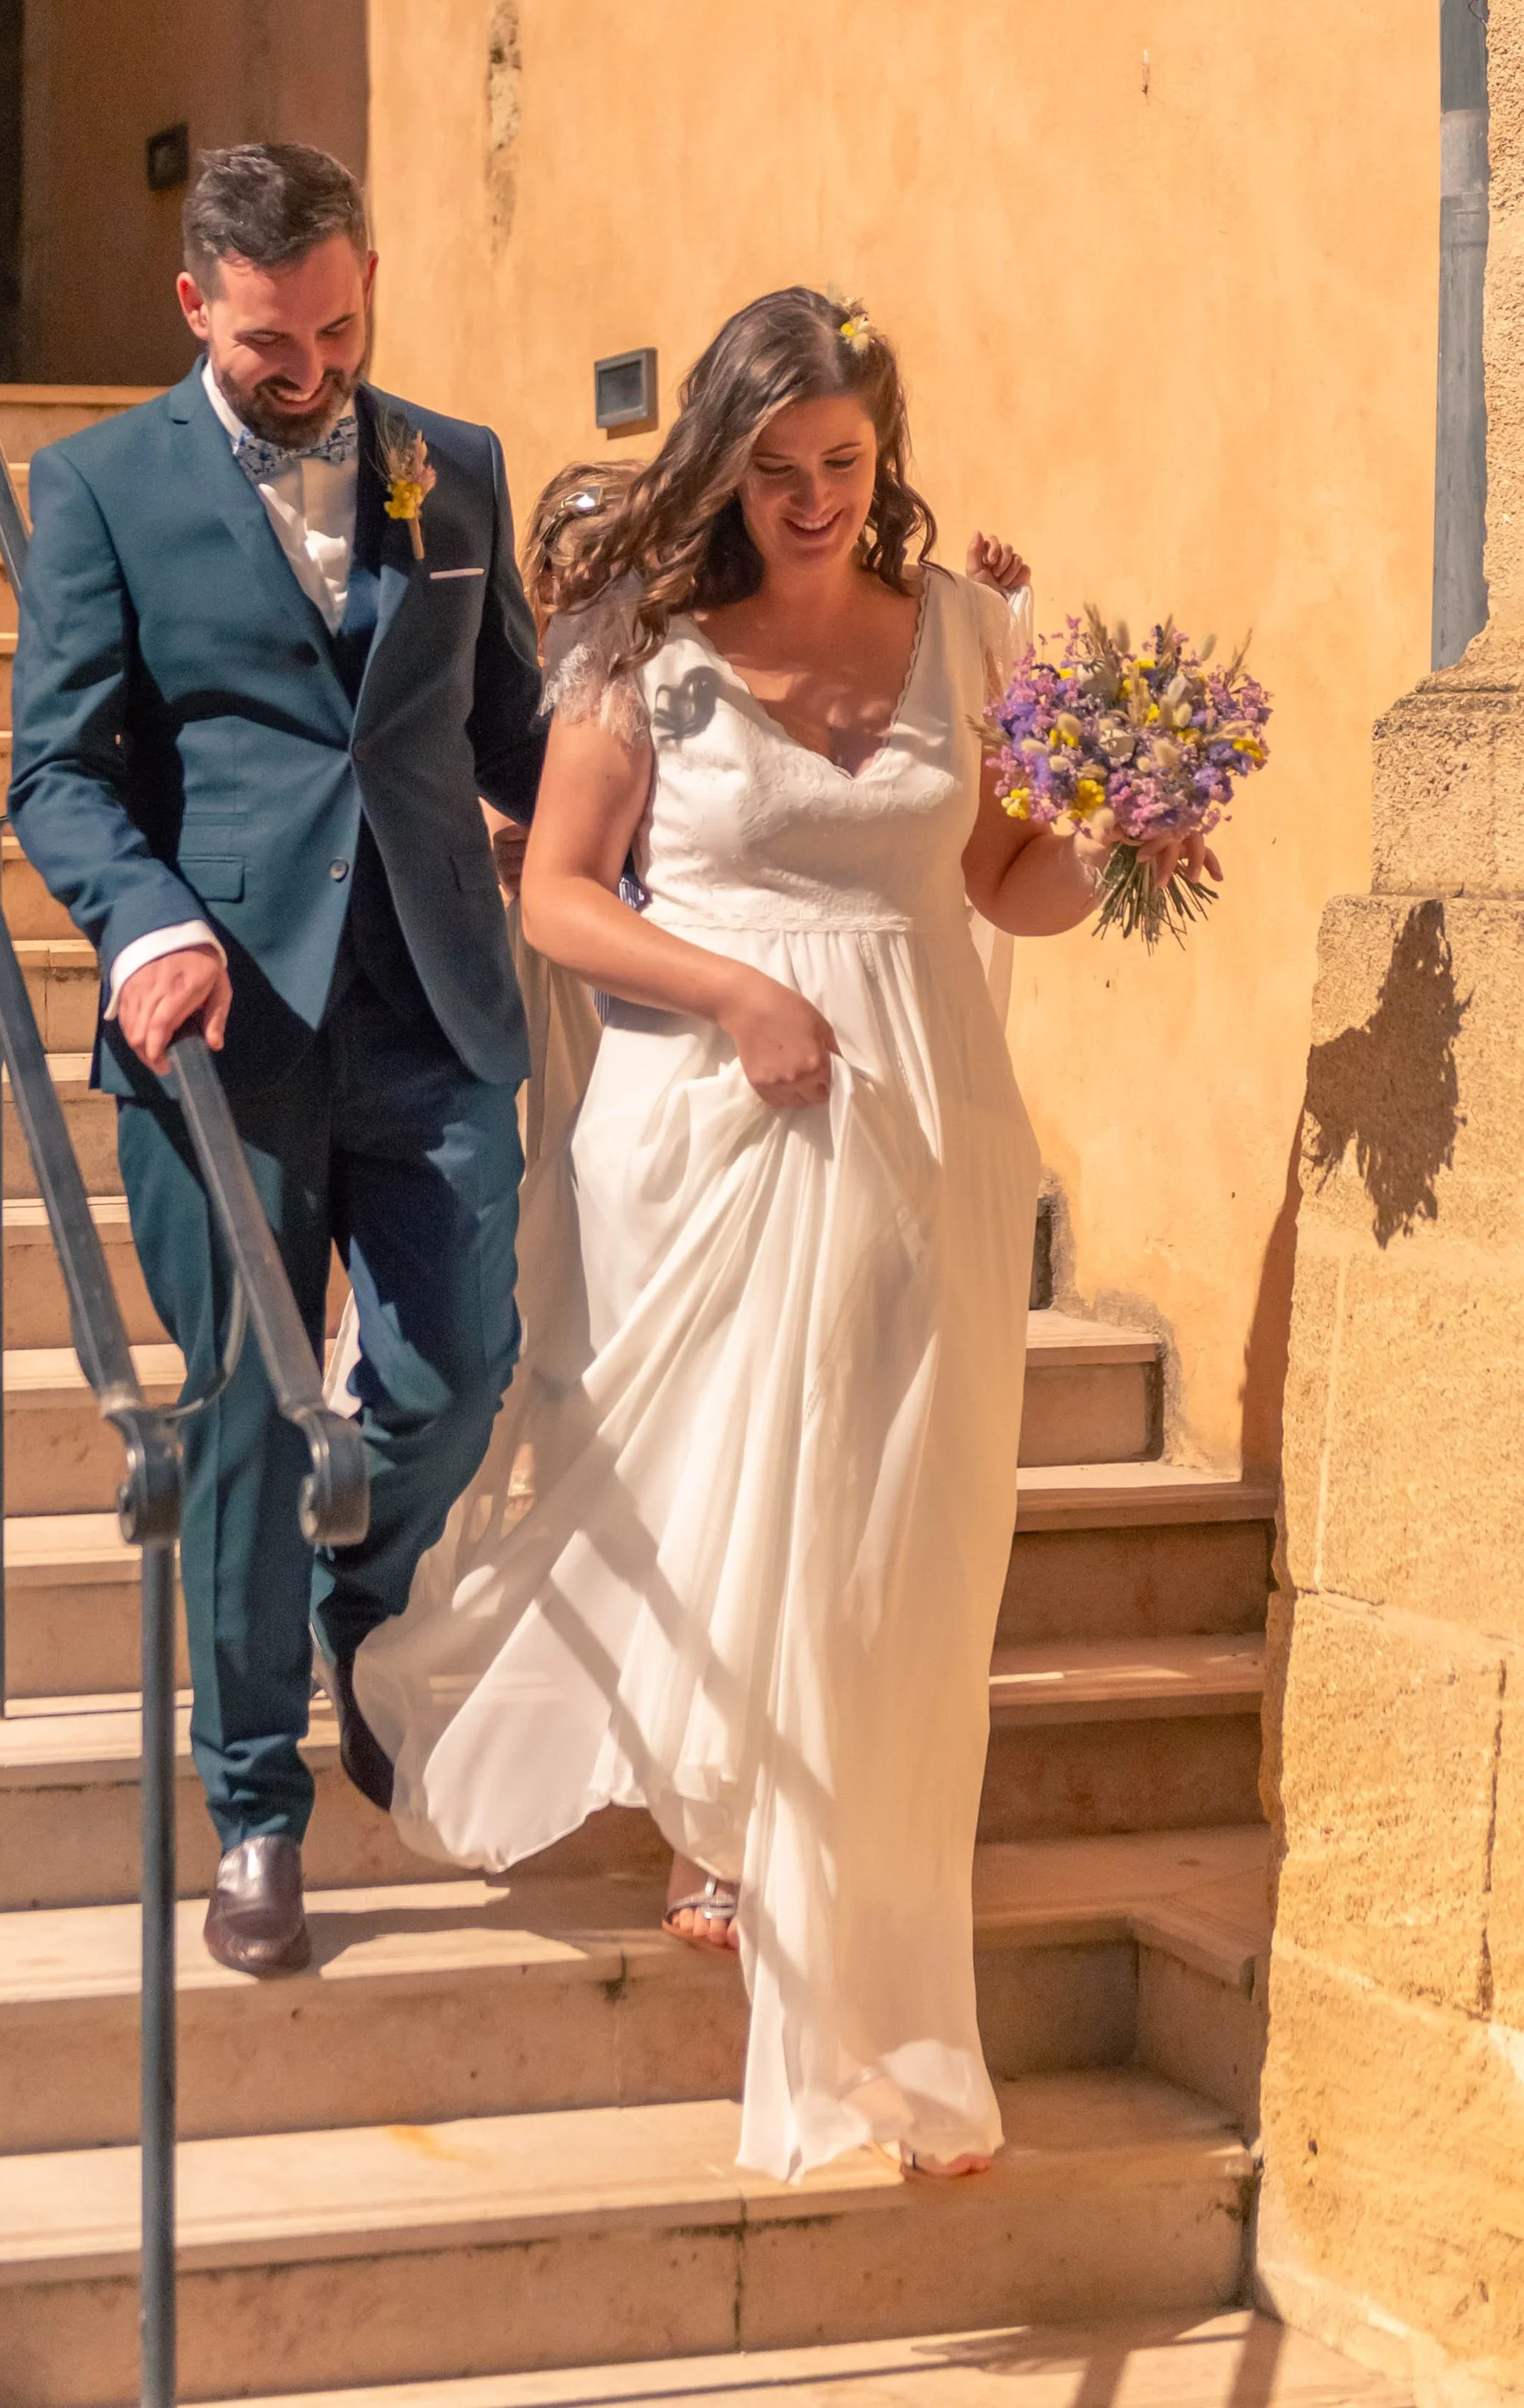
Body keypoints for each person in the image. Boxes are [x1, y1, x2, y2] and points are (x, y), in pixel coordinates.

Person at [354, 287, 1211, 2182]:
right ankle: (765, 1881)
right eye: (777, 467)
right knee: (762, 1494)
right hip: (718, 1122)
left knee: (897, 1525)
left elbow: (1001, 881)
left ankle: (822, 1895)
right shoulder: (634, 658)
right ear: (723, 466)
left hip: (928, 1123)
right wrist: (734, 991)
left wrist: (1120, 832)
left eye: (844, 463)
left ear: (878, 459)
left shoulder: (967, 634)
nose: (815, 496)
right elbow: (564, 901)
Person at [8, 142, 545, 1978]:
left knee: (456, 1365)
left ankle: (363, 1621)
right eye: (264, 342)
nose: (307, 367)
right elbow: (56, 772)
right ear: (192, 308)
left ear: (366, 282)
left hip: (434, 1004)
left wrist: (669, 879)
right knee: (244, 1399)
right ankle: (253, 1808)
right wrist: (143, 920)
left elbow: (519, 737)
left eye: (334, 324)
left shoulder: (450, 465)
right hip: (219, 1024)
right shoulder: (93, 487)